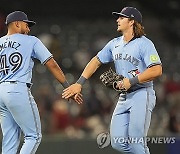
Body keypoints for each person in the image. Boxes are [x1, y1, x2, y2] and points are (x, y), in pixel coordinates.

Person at [62, 7, 162, 154]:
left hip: (142, 93)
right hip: (124, 95)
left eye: (122, 17)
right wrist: (79, 83)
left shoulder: (145, 44)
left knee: (136, 142)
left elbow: (157, 70)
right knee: (118, 143)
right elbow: (95, 61)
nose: (117, 20)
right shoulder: (114, 43)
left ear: (132, 21)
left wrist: (132, 81)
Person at [0, 11, 82, 154]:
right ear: (17, 23)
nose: (29, 29)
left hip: (1, 92)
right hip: (17, 89)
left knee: (10, 139)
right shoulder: (31, 40)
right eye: (27, 25)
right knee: (33, 136)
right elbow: (51, 64)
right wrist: (67, 87)